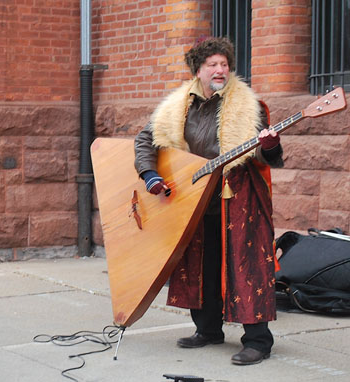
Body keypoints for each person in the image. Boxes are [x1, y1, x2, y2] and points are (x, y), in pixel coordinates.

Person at [134, 37, 284, 365]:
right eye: (212, 64)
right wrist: (150, 176)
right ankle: (208, 330)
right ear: (198, 70)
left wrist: (270, 145)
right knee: (200, 264)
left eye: (224, 64)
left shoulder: (249, 106)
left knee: (247, 266)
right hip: (193, 198)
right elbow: (146, 139)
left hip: (238, 196)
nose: (220, 70)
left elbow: (263, 153)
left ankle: (258, 341)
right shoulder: (177, 106)